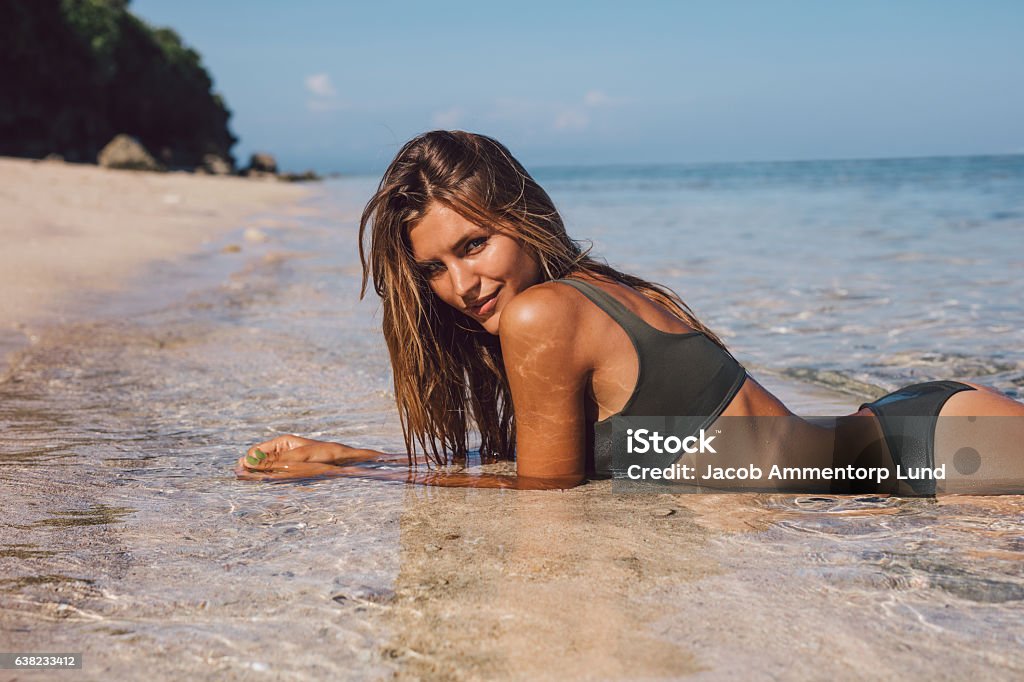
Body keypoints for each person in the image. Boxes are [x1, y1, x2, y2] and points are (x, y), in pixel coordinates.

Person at [236, 131, 1024, 494]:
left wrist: (359, 478)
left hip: (932, 458)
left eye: (473, 245)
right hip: (914, 434)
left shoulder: (544, 314)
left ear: (521, 215)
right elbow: (549, 472)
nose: (460, 284)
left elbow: (548, 501)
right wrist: (363, 458)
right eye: (434, 269)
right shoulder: (582, 297)